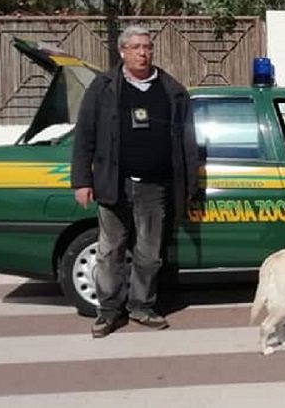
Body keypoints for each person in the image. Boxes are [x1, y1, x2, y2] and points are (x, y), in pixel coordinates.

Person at [71, 25, 196, 338]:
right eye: (136, 47)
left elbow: (188, 141)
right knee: (110, 251)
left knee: (149, 254)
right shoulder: (103, 88)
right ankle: (108, 312)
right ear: (122, 51)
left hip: (155, 187)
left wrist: (188, 184)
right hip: (114, 184)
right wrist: (82, 181)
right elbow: (84, 135)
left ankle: (141, 306)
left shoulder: (171, 89)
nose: (143, 53)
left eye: (147, 47)